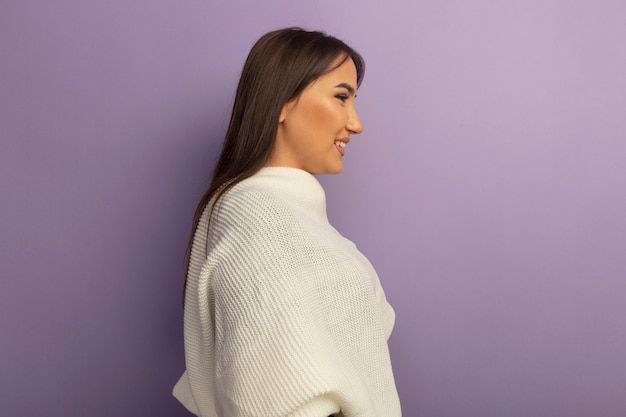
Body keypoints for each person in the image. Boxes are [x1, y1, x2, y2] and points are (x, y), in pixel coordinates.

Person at [173, 27, 401, 417]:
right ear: (282, 102)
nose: (356, 123)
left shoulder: (299, 219)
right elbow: (265, 391)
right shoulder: (255, 214)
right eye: (341, 97)